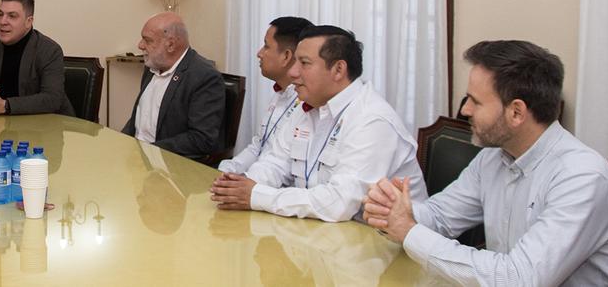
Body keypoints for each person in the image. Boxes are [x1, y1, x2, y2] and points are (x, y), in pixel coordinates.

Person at [362, 40, 608, 284]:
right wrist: (394, 212)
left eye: (475, 101)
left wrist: (409, 231)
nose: (465, 109)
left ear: (516, 112)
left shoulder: (581, 178)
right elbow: (441, 217)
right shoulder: (493, 157)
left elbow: (519, 279)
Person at [210, 25, 425, 222]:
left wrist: (258, 196)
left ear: (338, 70)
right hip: (321, 233)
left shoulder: (372, 121)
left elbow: (339, 204)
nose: (293, 72)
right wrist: (238, 188)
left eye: (304, 63)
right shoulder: (309, 104)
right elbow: (275, 162)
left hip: (381, 244)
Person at [121, 13, 225, 160]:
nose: (140, 45)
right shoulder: (151, 67)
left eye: (147, 40)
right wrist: (120, 142)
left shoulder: (204, 77)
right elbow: (137, 120)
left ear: (170, 44)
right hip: (137, 158)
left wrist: (147, 151)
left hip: (169, 165)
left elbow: (202, 138)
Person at [219, 16, 313, 174]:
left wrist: (244, 184)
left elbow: (283, 168)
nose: (259, 53)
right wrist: (226, 170)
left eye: (266, 46)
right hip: (255, 181)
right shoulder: (280, 93)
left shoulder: (306, 102)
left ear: (286, 56)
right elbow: (258, 146)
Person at [0, 0, 74, 116]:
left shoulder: (49, 50)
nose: (3, 21)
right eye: (0, 14)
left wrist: (6, 105)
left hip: (42, 127)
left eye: (12, 16)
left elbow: (52, 99)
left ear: (28, 22)